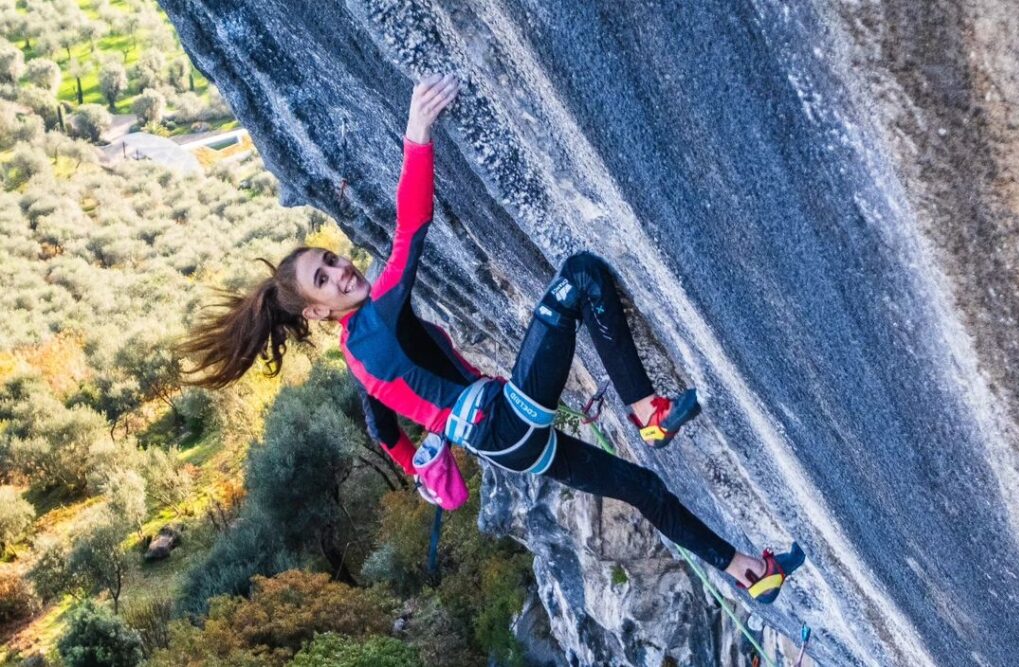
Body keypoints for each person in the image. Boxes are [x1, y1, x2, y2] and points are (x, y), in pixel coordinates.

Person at [175, 73, 803, 604]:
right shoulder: (370, 320)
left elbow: (381, 426)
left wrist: (417, 463)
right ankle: (647, 410)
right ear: (314, 312)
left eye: (330, 259)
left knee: (643, 490)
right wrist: (417, 134)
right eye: (324, 277)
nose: (342, 270)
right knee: (580, 275)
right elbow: (411, 230)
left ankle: (747, 571)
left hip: (508, 449)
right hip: (504, 421)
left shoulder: (358, 360)